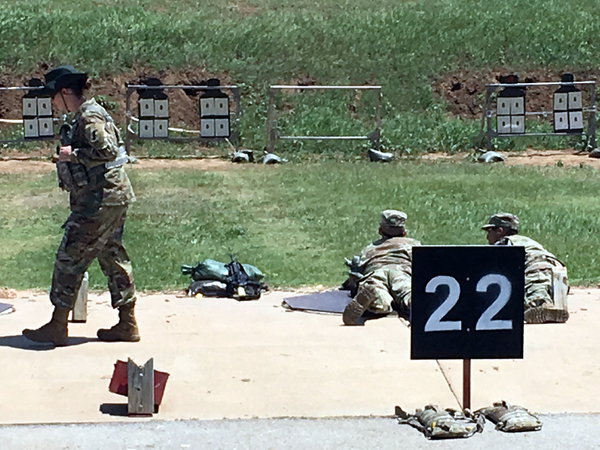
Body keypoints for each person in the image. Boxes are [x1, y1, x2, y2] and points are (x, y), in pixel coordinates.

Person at [22, 65, 140, 345]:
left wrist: (71, 154)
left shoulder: (88, 116)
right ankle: (127, 323)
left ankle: (58, 324)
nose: (51, 102)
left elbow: (108, 149)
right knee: (112, 256)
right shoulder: (90, 113)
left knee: (69, 256)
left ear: (65, 92)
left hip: (97, 201)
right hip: (111, 197)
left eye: (53, 95)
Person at [482, 212, 569, 324]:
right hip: (556, 268)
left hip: (537, 266)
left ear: (500, 230)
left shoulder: (505, 242)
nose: (487, 236)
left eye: (490, 231)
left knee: (537, 292)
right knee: (544, 290)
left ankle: (543, 305)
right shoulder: (526, 240)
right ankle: (553, 306)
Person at [343, 210, 421, 325]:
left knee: (379, 294)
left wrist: (349, 284)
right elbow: (421, 264)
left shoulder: (370, 248)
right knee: (406, 290)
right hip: (401, 271)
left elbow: (358, 271)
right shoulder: (412, 244)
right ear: (404, 232)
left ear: (380, 231)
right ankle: (413, 303)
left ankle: (373, 297)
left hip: (376, 271)